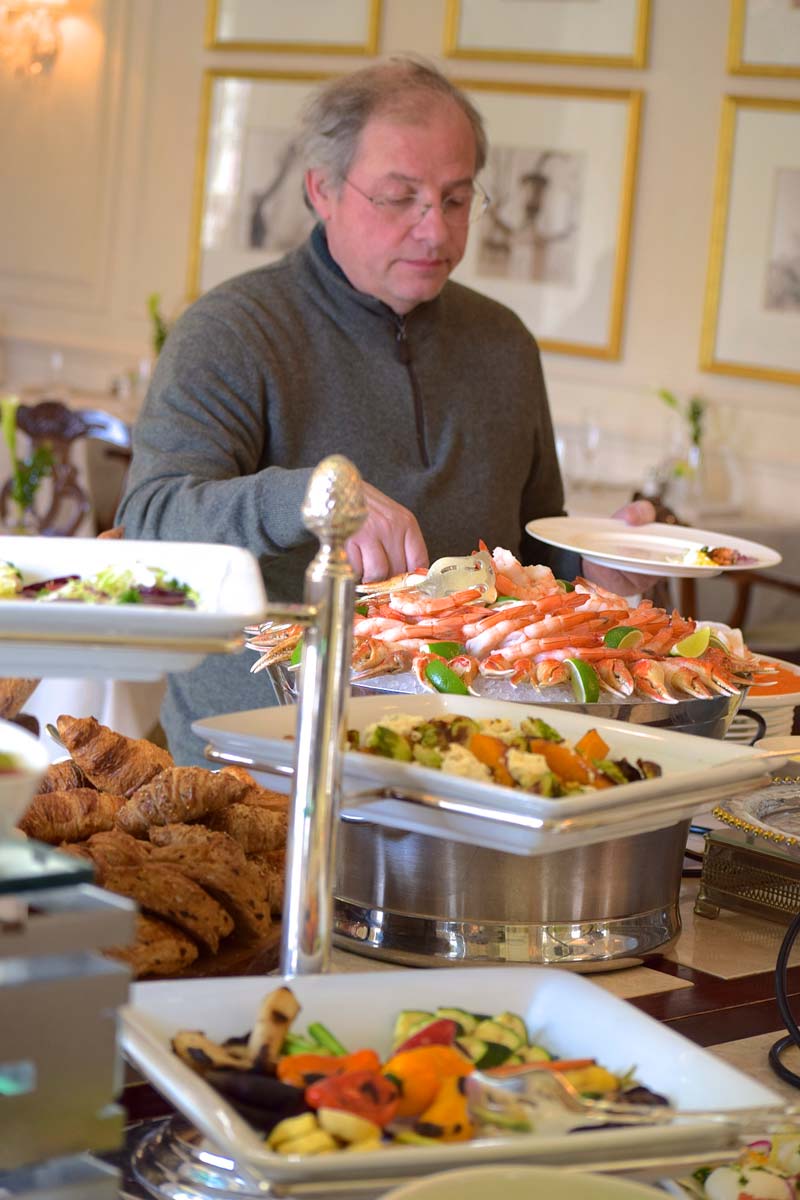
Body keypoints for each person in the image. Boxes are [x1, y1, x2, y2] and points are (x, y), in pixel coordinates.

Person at [117, 56, 656, 765]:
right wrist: (312, 498)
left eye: (457, 200)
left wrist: (599, 572)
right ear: (322, 190)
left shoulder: (504, 344)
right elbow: (150, 523)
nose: (435, 232)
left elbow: (532, 553)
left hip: (468, 760)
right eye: (400, 198)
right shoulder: (232, 330)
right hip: (258, 767)